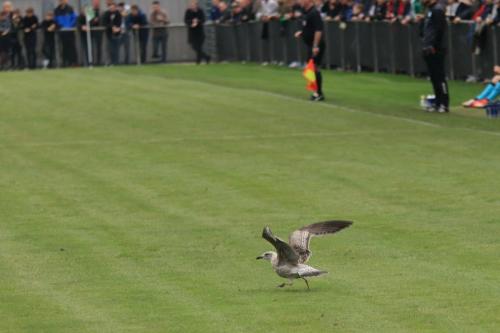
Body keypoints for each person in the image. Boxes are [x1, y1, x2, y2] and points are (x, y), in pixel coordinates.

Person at [295, 0, 326, 101]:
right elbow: (308, 27)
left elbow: (318, 30)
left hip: (315, 45)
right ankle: (316, 91)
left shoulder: (314, 13)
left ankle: (319, 93)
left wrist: (315, 46)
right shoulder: (306, 12)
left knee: (314, 68)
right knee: (310, 68)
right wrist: (302, 33)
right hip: (310, 45)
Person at [421, 0, 449, 113]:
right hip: (428, 47)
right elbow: (426, 29)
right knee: (433, 77)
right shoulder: (429, 10)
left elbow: (439, 30)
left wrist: (432, 45)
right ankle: (437, 102)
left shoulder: (438, 10)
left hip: (436, 48)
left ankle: (444, 103)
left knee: (440, 77)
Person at [55, 0, 77, 67]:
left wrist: (70, 26)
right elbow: (56, 20)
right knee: (64, 47)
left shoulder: (70, 8)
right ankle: (65, 62)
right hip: (62, 32)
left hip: (70, 31)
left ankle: (73, 62)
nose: (62, 2)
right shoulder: (56, 10)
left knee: (72, 47)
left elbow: (74, 18)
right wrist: (61, 26)